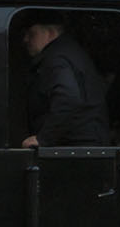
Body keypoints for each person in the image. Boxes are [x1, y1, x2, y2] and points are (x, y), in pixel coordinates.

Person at [19, 19, 112, 148]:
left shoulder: (56, 59)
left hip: (75, 148)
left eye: (31, 34)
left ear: (50, 33)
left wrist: (44, 138)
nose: (25, 39)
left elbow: (68, 98)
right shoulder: (70, 53)